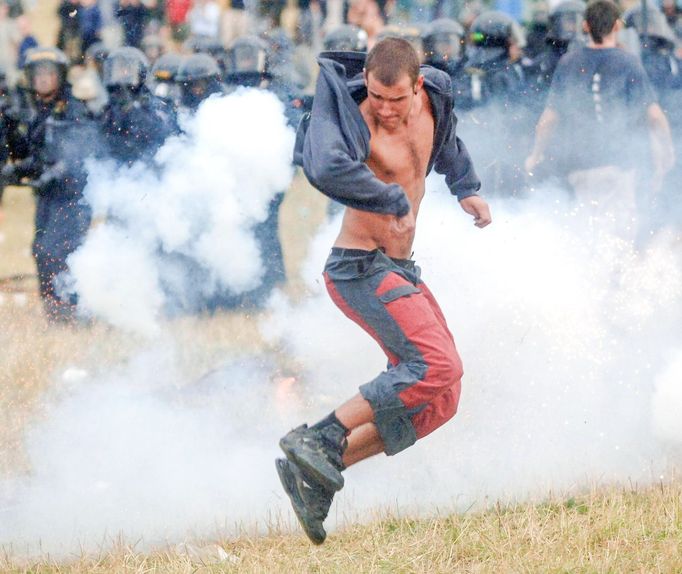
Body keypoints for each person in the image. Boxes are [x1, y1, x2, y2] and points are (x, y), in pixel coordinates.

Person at [277, 37, 491, 544]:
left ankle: (319, 473)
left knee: (442, 396)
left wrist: (467, 188)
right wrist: (387, 196)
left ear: (417, 86)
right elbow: (326, 166)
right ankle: (319, 436)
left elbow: (450, 143)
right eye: (377, 98)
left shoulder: (435, 99)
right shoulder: (351, 117)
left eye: (397, 100)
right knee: (438, 365)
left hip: (400, 269)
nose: (387, 111)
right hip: (358, 267)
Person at [525, 0, 675, 238]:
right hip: (617, 168)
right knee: (619, 235)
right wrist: (667, 150)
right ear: (617, 26)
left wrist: (535, 154)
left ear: (585, 26)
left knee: (588, 232)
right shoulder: (628, 62)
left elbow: (548, 119)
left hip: (579, 169)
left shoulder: (567, 62)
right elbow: (655, 116)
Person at [1, 47, 95, 322]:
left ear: (60, 76)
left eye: (48, 74)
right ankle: (55, 313)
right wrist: (17, 170)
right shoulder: (33, 112)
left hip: (72, 196)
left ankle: (74, 312)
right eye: (37, 74)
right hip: (47, 197)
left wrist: (55, 173)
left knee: (60, 252)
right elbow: (37, 155)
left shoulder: (73, 109)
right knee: (41, 251)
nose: (42, 79)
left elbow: (79, 152)